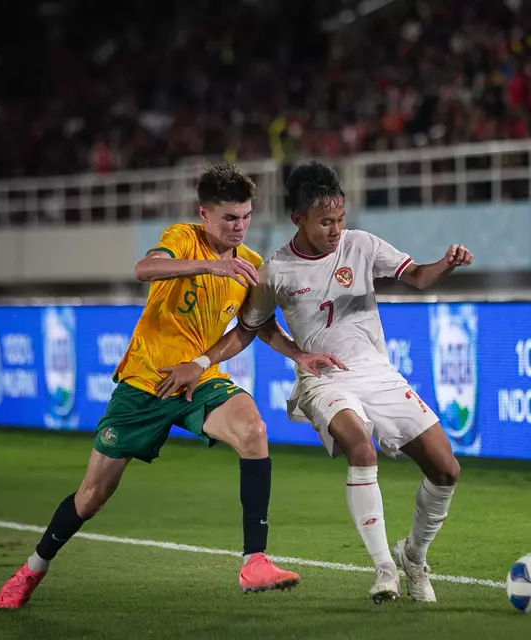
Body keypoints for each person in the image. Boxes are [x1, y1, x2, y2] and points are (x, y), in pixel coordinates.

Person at [0, 163, 343, 609]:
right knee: (92, 497)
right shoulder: (183, 238)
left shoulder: (252, 266)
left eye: (246, 217)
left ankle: (255, 560)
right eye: (229, 219)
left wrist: (299, 355)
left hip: (198, 378)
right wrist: (211, 267)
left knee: (254, 431)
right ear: (204, 214)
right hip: (144, 383)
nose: (239, 227)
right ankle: (31, 570)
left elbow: (254, 327)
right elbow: (145, 269)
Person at [198, 161, 473, 603]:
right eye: (326, 221)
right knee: (360, 447)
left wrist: (448, 261)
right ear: (298, 219)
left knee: (446, 470)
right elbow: (252, 326)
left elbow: (419, 277)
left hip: (376, 371)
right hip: (324, 379)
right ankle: (385, 569)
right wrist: (209, 360)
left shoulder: (361, 245)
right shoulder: (276, 271)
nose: (336, 229)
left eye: (341, 219)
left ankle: (414, 557)